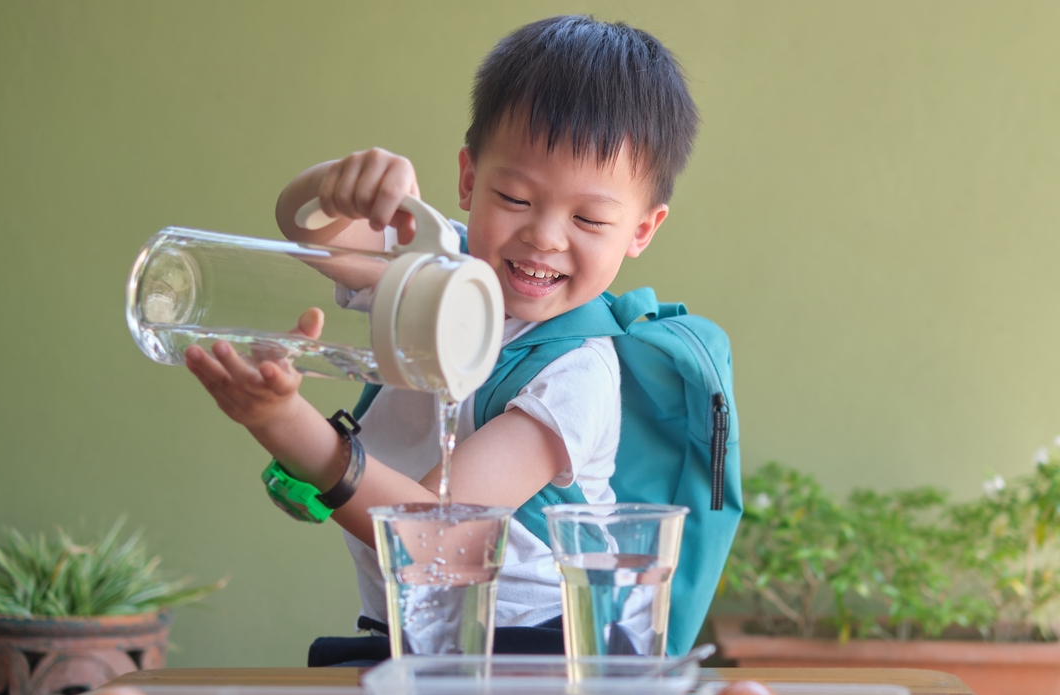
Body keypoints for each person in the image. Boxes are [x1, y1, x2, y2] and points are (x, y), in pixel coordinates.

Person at [184, 15, 699, 652]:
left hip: (534, 652)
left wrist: (283, 424)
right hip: (415, 635)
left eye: (590, 218)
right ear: (467, 179)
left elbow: (437, 537)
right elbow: (309, 232)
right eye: (514, 197)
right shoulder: (437, 269)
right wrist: (337, 187)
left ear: (642, 231)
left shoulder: (579, 374)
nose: (544, 236)